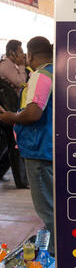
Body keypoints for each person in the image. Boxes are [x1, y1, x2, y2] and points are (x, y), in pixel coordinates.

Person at [0, 36, 54, 256]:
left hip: (39, 149)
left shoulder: (41, 75)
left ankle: (52, 252)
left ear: (31, 55)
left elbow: (33, 113)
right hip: (48, 147)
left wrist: (10, 117)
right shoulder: (56, 71)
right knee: (51, 203)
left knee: (46, 208)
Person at [0, 39, 28, 186]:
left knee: (9, 144)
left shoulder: (9, 65)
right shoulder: (7, 66)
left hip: (8, 110)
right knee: (14, 144)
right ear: (11, 53)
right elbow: (21, 82)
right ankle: (21, 180)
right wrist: (23, 66)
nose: (23, 55)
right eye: (20, 52)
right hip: (7, 111)